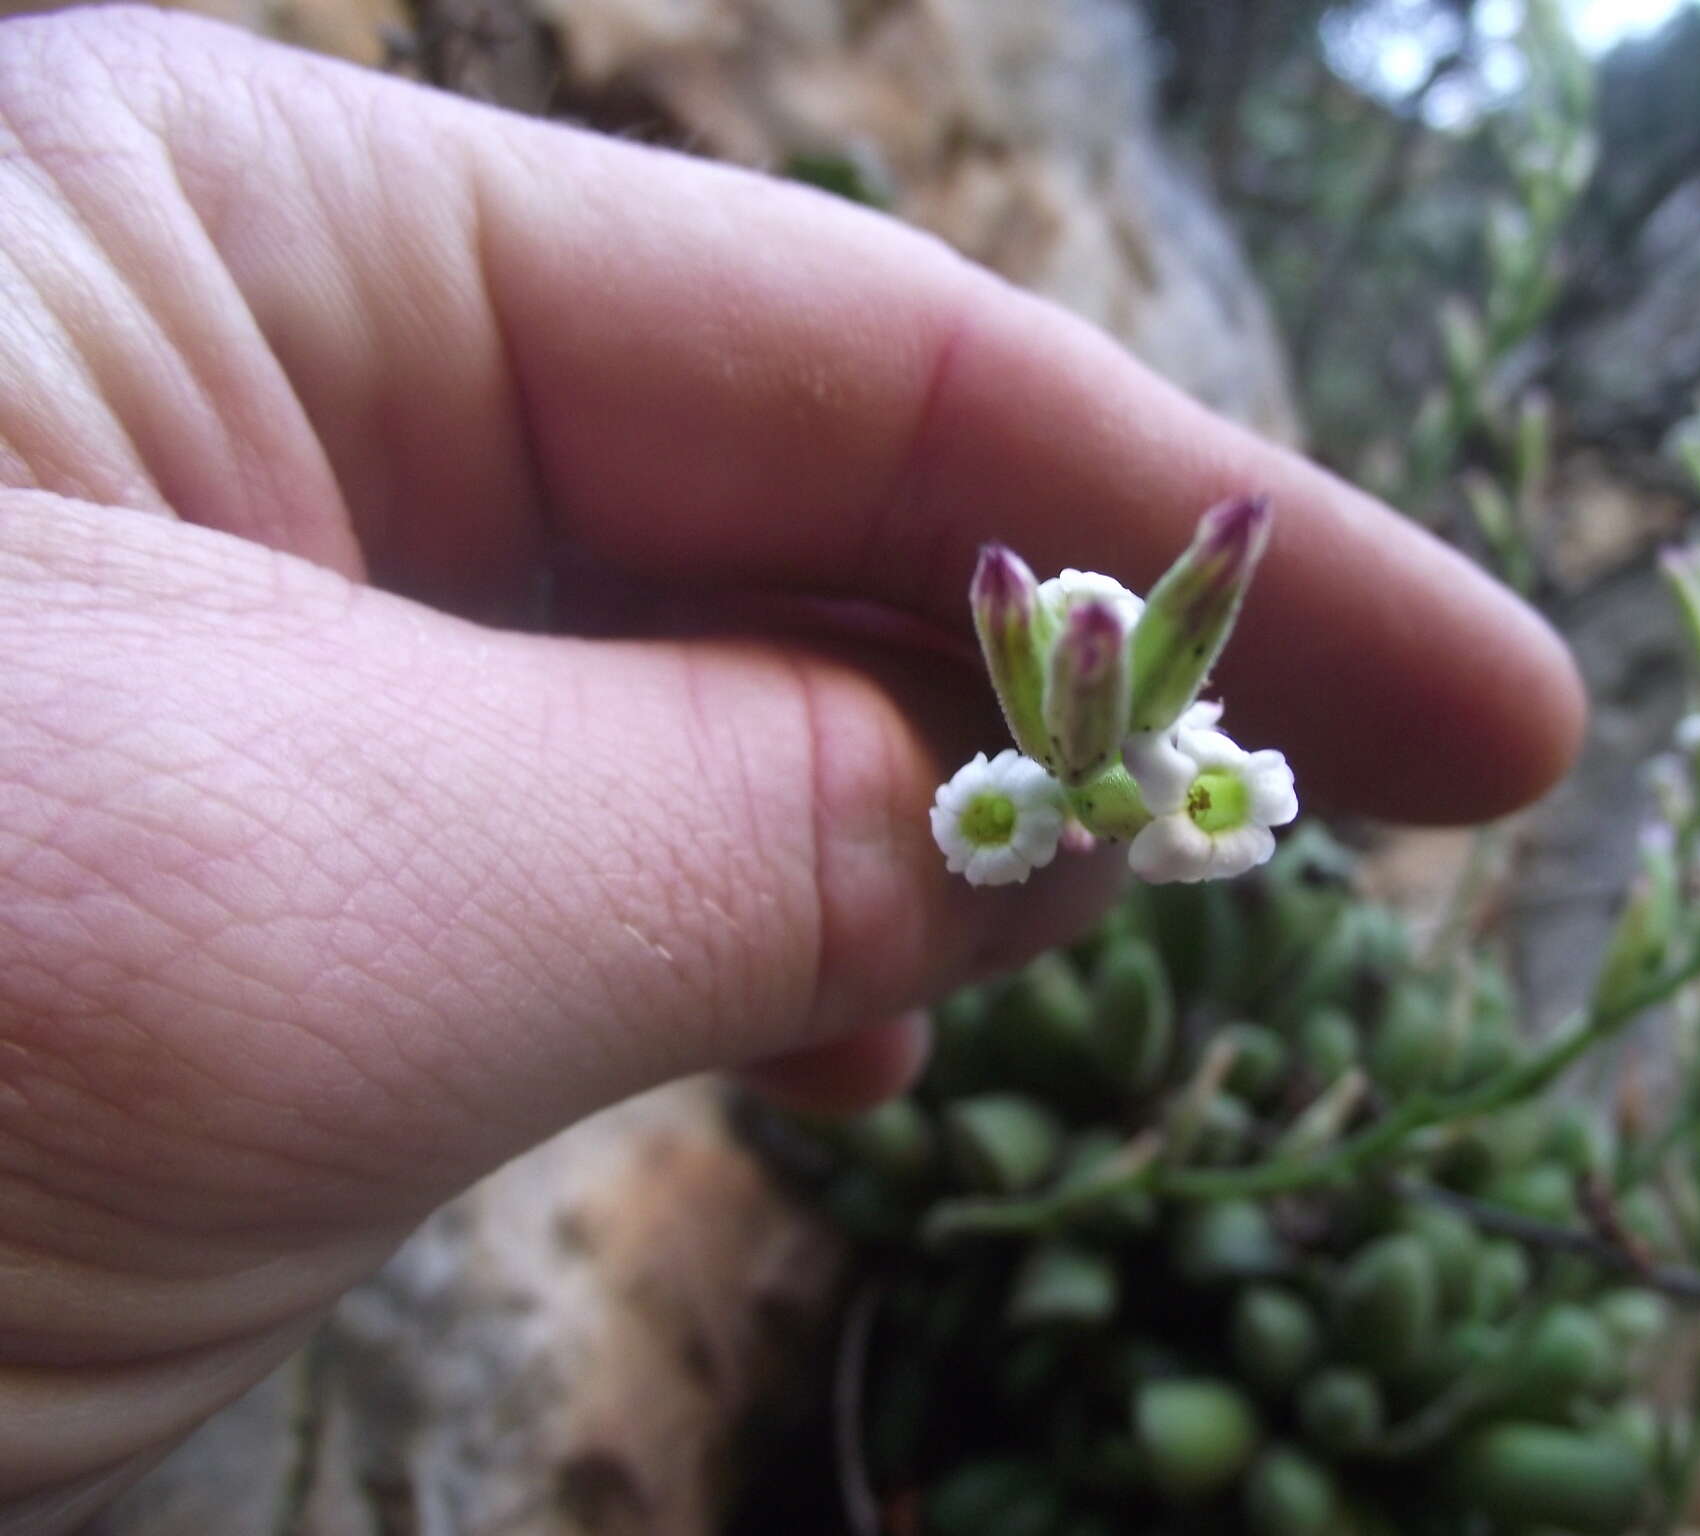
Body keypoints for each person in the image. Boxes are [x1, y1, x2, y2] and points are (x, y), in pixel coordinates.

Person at [0, 7, 1585, 1528]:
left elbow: (1135, 770)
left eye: (1210, 796)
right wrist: (980, 814)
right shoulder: (1041, 784)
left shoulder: (1147, 768)